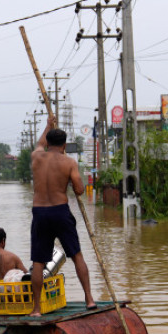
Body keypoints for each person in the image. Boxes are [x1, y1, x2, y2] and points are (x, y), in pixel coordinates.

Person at [29, 114, 96, 315]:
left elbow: (40, 144)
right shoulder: (68, 163)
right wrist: (71, 180)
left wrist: (47, 126)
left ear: (48, 141)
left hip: (40, 212)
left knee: (38, 262)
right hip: (60, 211)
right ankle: (89, 299)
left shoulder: (36, 157)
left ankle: (37, 308)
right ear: (64, 144)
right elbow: (79, 190)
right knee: (76, 255)